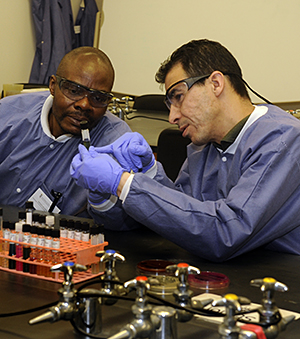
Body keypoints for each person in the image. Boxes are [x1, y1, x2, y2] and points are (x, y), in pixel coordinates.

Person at [70, 39, 300, 261]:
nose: (173, 117)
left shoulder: (283, 141)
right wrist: (147, 175)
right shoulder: (203, 148)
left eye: (178, 96)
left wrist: (122, 183)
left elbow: (224, 233)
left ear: (216, 84)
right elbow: (181, 218)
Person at [0, 46, 133, 223]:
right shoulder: (8, 113)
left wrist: (103, 200)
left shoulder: (116, 142)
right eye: (74, 90)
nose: (84, 105)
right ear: (53, 86)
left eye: (98, 98)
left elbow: (125, 221)